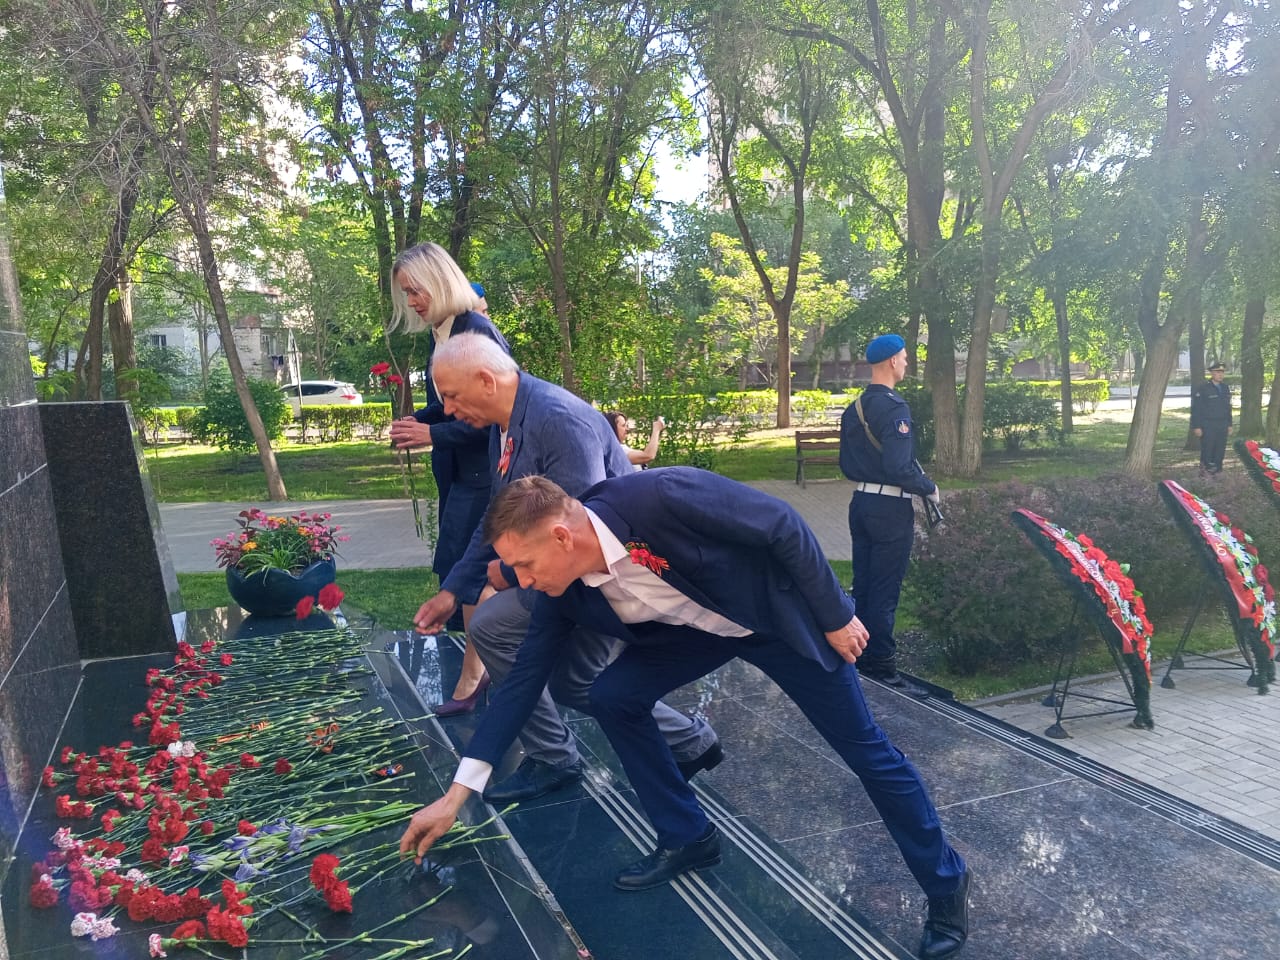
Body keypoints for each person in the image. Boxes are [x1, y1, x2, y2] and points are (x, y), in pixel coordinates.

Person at [400, 470, 972, 960]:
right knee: (613, 695)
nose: (521, 582)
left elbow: (781, 524)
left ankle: (946, 882)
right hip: (691, 632)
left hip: (774, 620)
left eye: (524, 565)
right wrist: (456, 796)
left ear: (560, 536)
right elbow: (523, 681)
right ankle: (688, 835)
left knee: (866, 751)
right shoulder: (561, 590)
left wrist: (834, 615)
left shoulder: (658, 497)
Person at [411, 333, 721, 803]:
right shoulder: (504, 423)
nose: (448, 411)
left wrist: (510, 575)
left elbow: (580, 529)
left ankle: (556, 757)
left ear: (486, 381)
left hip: (610, 574)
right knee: (575, 681)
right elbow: (497, 514)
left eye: (452, 396)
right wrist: (453, 590)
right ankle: (688, 742)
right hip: (573, 573)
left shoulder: (558, 420)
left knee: (498, 629)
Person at [387, 244, 510, 714]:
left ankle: (476, 677)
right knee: (462, 570)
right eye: (406, 293)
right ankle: (484, 672)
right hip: (460, 476)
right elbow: (449, 405)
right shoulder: (444, 331)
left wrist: (432, 433)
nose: (412, 302)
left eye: (416, 290)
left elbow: (493, 413)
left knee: (468, 573)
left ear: (440, 282)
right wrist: (417, 421)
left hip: (482, 476)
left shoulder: (475, 329)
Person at [839, 333, 940, 687]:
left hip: (861, 503)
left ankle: (858, 655)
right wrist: (929, 488)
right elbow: (899, 467)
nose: (907, 363)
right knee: (884, 590)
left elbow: (846, 463)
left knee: (864, 586)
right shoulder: (895, 408)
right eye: (905, 357)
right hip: (889, 509)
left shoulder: (855, 407)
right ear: (893, 361)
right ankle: (881, 665)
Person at [1191, 360, 1232, 476]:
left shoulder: (1225, 388)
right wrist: (1197, 426)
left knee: (1220, 450)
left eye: (1222, 372)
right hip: (1208, 425)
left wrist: (1229, 424)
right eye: (1217, 372)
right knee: (1208, 450)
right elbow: (1196, 409)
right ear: (1212, 373)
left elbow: (1228, 407)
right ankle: (1206, 475)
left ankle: (1217, 473)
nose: (1220, 375)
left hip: (1222, 424)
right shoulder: (1203, 388)